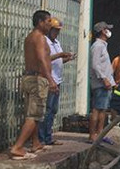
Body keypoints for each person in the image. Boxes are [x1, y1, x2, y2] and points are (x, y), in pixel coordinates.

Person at [9, 10, 55, 160]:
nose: (50, 24)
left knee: (33, 113)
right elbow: (42, 59)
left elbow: (43, 57)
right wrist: (51, 80)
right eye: (48, 21)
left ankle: (36, 143)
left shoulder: (30, 37)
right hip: (38, 80)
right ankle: (18, 147)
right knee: (34, 115)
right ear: (40, 22)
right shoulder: (40, 38)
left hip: (29, 78)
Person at [38, 18, 74, 146]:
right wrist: (60, 55)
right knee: (46, 110)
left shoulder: (56, 42)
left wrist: (66, 59)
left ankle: (48, 136)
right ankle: (42, 138)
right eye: (55, 30)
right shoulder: (45, 42)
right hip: (49, 80)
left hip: (57, 80)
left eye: (58, 31)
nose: (57, 33)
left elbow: (56, 61)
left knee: (53, 110)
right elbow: (45, 59)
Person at [89, 21, 115, 143]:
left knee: (103, 110)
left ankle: (100, 133)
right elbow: (95, 65)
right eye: (106, 29)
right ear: (102, 31)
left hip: (106, 83)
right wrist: (104, 79)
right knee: (97, 109)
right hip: (100, 83)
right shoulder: (98, 46)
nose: (108, 31)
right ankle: (93, 135)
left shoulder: (102, 45)